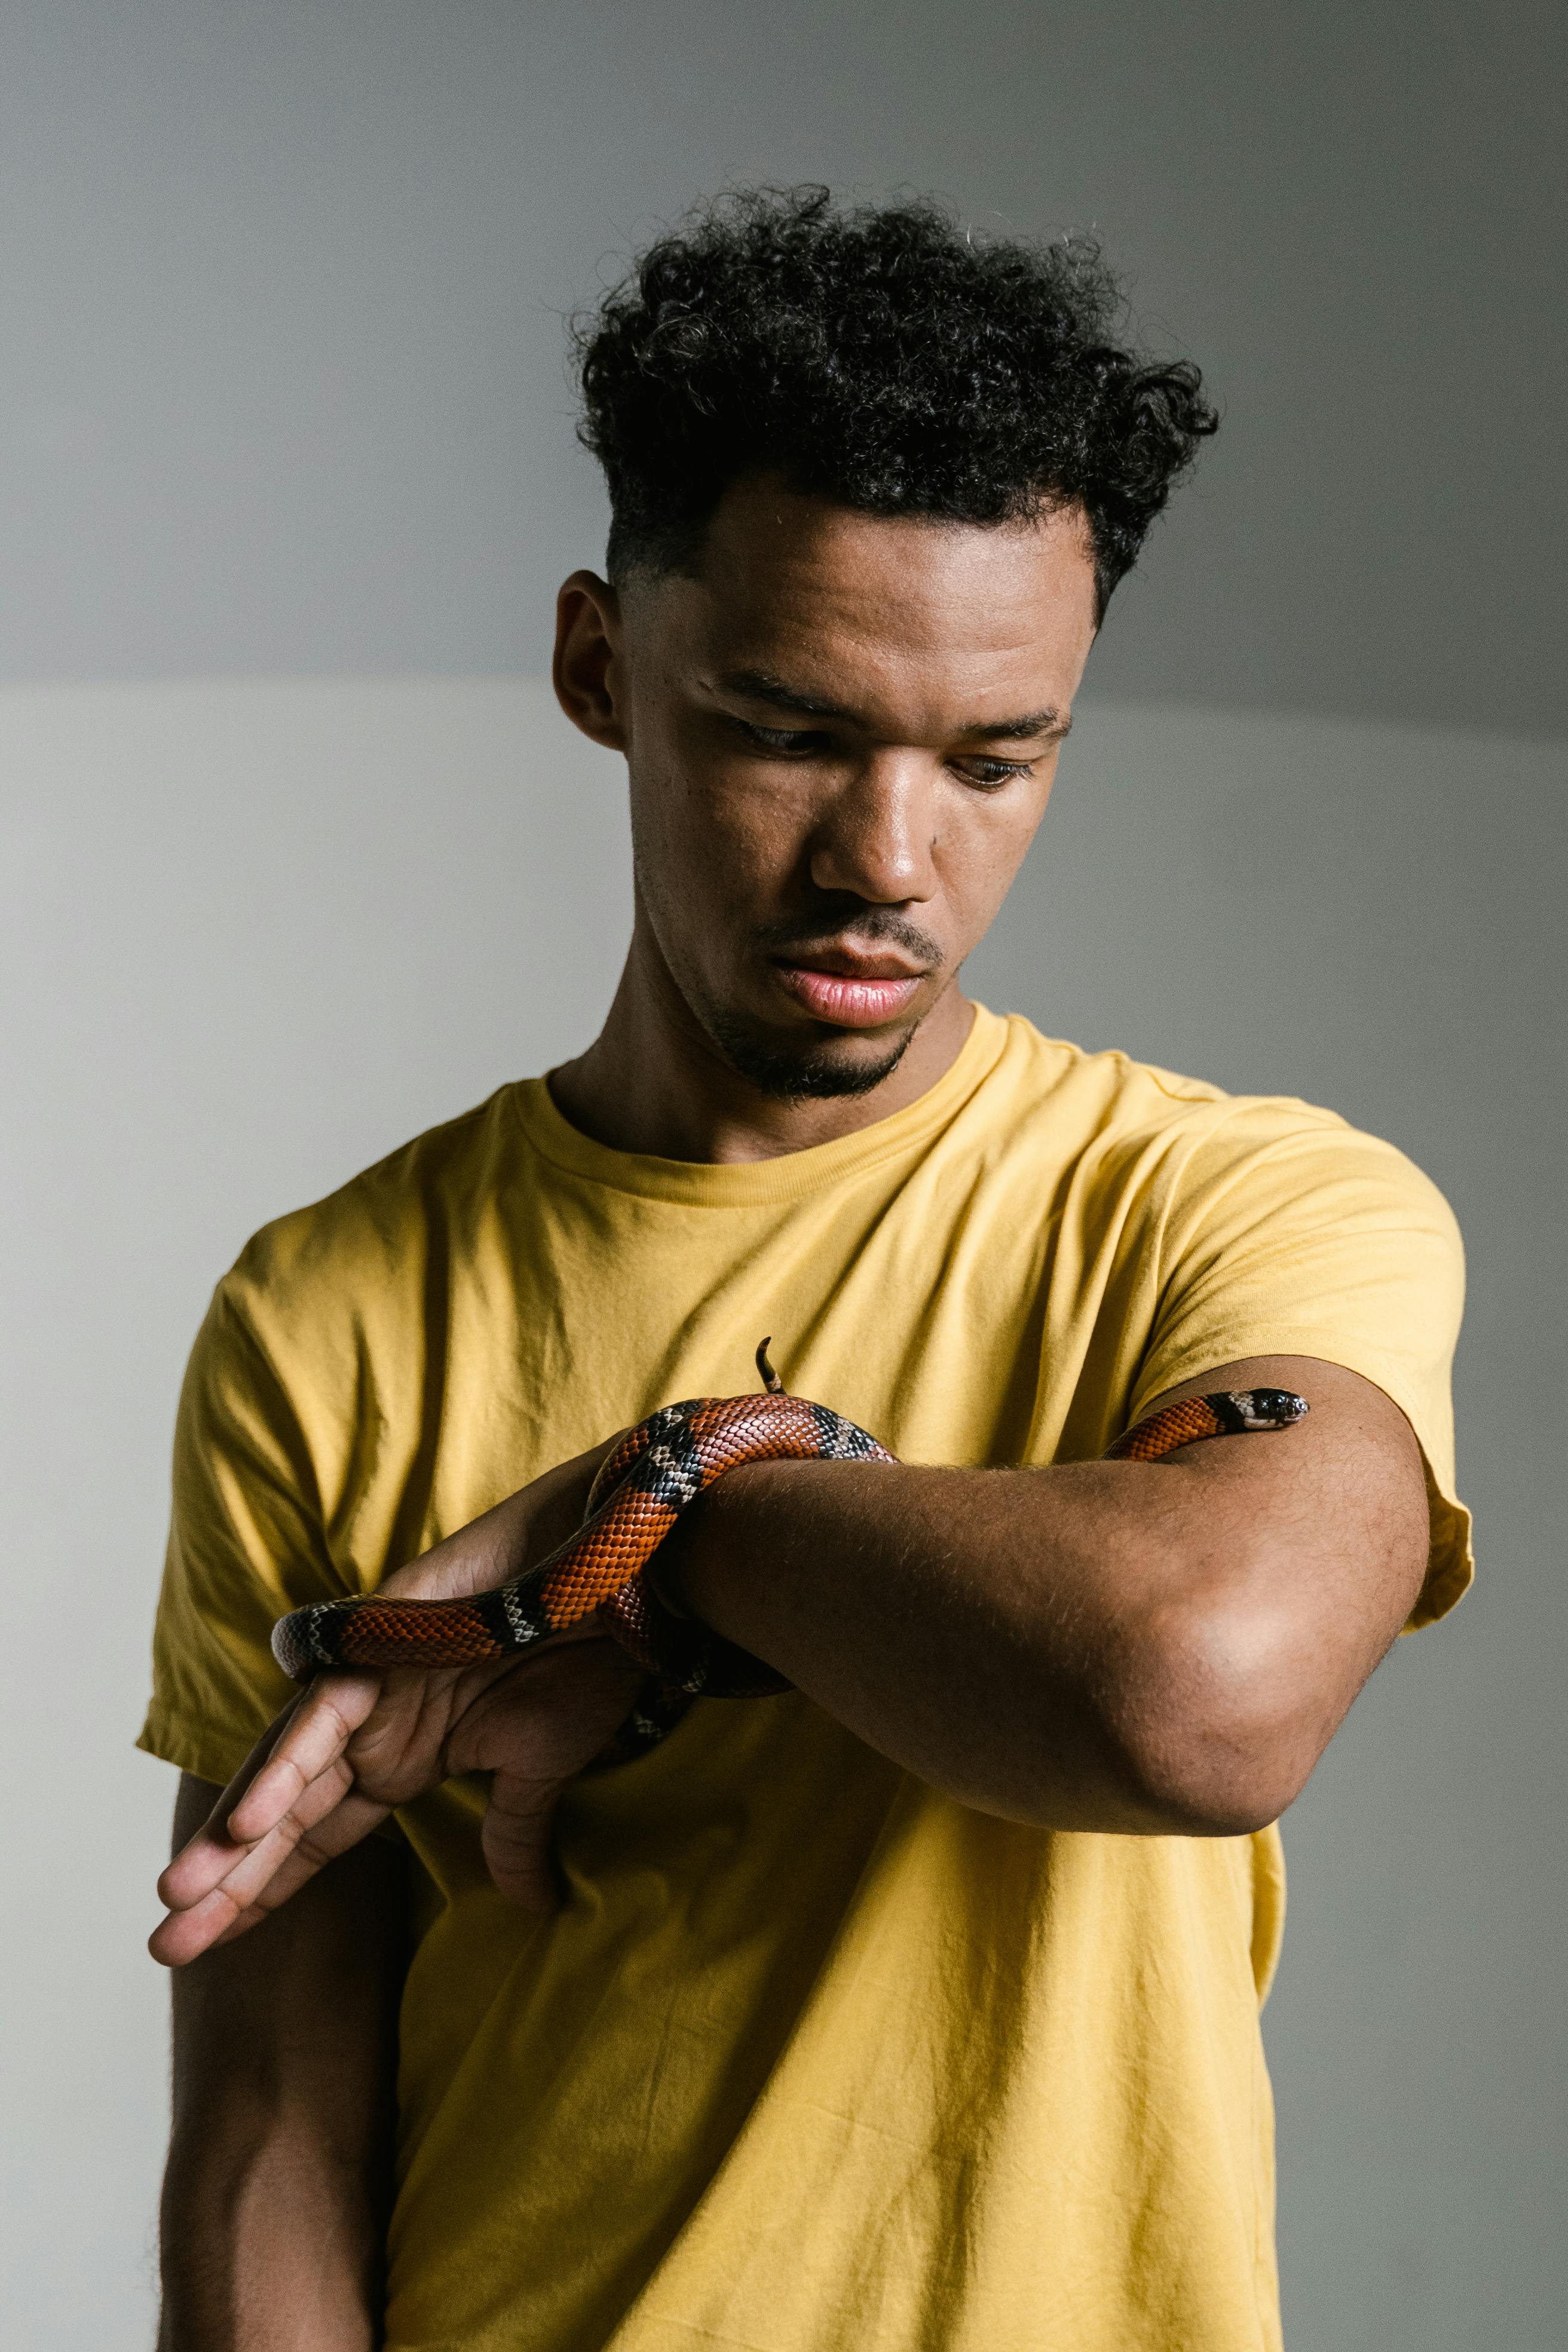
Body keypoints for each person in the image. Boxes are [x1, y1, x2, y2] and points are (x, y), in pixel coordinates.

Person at [143, 188, 1470, 2352]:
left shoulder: (1240, 1209)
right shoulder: (332, 1307)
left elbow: (1205, 1694)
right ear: (602, 669)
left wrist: (670, 1506)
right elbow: (272, 2124)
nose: (889, 862)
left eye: (994, 760)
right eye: (788, 732)